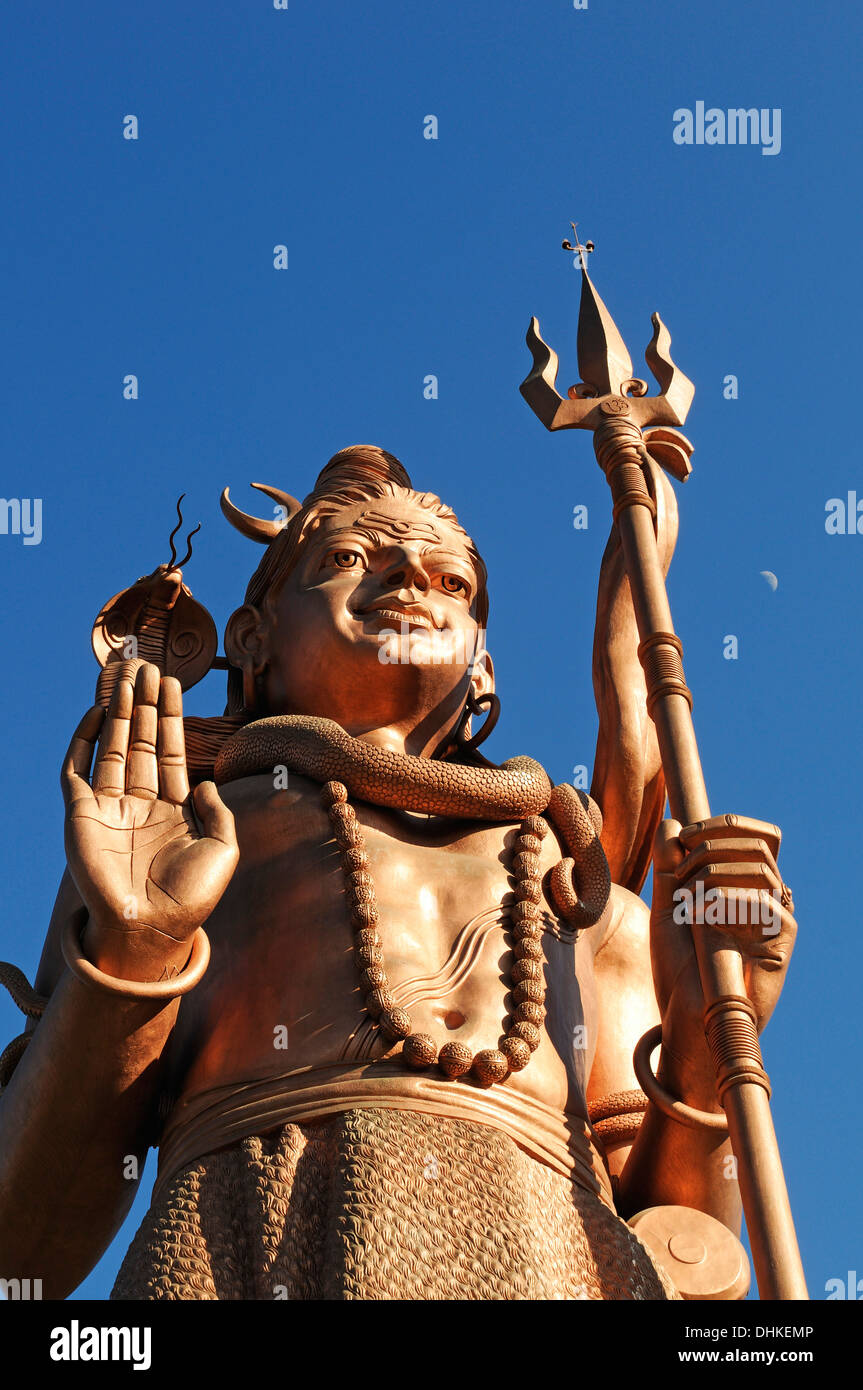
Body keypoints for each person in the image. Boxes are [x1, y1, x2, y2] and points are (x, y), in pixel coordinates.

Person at [0, 446, 796, 1299]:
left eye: (453, 582)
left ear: (482, 661)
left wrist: (711, 1035)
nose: (415, 572)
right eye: (348, 559)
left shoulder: (574, 889)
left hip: (550, 1254)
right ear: (252, 637)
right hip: (247, 1245)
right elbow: (26, 1245)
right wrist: (132, 956)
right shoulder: (185, 841)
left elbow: (685, 1238)